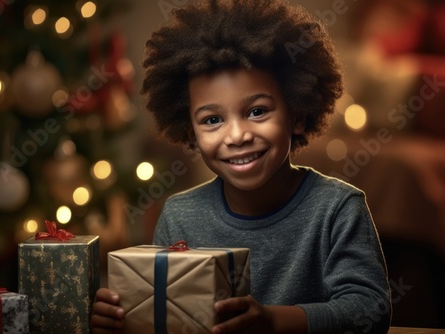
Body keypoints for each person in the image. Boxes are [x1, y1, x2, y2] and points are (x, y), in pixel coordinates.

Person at [91, 0, 392, 333]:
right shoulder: (179, 216)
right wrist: (122, 318)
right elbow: (165, 315)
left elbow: (370, 309)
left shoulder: (338, 209)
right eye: (213, 120)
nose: (236, 135)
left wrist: (273, 320)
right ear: (190, 133)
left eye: (257, 111)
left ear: (298, 115)